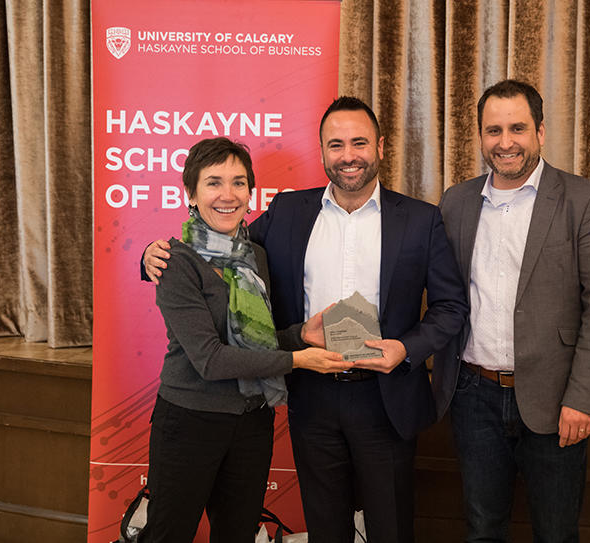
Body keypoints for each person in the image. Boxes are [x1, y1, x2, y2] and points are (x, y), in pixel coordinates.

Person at [144, 97, 468, 542]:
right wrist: (149, 257)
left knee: (391, 527)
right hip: (312, 398)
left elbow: (451, 307)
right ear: (321, 151)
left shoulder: (420, 219)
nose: (348, 155)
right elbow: (220, 246)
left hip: (387, 396)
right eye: (336, 144)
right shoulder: (288, 212)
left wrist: (406, 349)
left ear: (380, 146)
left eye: (359, 142)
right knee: (324, 527)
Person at [436, 80, 590, 542]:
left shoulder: (585, 200)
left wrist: (583, 397)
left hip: (557, 400)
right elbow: (444, 296)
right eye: (493, 130)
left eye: (517, 128)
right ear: (480, 136)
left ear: (540, 131)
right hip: (473, 396)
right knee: (482, 530)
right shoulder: (456, 202)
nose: (505, 142)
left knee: (556, 534)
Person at [141, 137, 351, 543]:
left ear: (251, 193)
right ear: (191, 194)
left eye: (239, 183)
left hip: (253, 421)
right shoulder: (175, 260)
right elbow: (212, 359)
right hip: (189, 421)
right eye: (214, 182)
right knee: (168, 534)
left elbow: (257, 341)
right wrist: (298, 361)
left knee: (237, 535)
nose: (228, 194)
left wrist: (299, 336)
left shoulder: (256, 256)